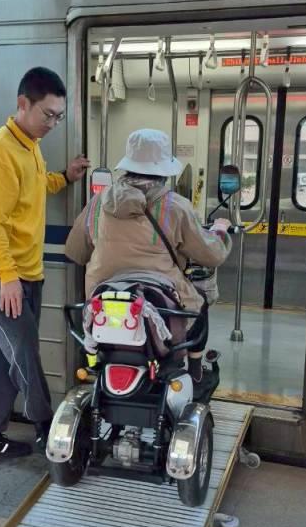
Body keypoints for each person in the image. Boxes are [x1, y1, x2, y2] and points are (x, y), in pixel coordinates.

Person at [0, 67, 88, 459]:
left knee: (5, 358)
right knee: (24, 353)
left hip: (26, 273)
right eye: (48, 114)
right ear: (23, 104)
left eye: (58, 117)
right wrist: (7, 277)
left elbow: (35, 185)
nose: (52, 123)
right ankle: (49, 429)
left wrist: (64, 177)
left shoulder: (30, 144)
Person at [64, 128, 231, 382]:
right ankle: (196, 372)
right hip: (160, 307)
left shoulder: (98, 203)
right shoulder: (175, 206)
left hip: (103, 307)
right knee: (200, 304)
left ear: (128, 166)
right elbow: (212, 255)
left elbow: (76, 252)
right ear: (164, 172)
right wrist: (220, 230)